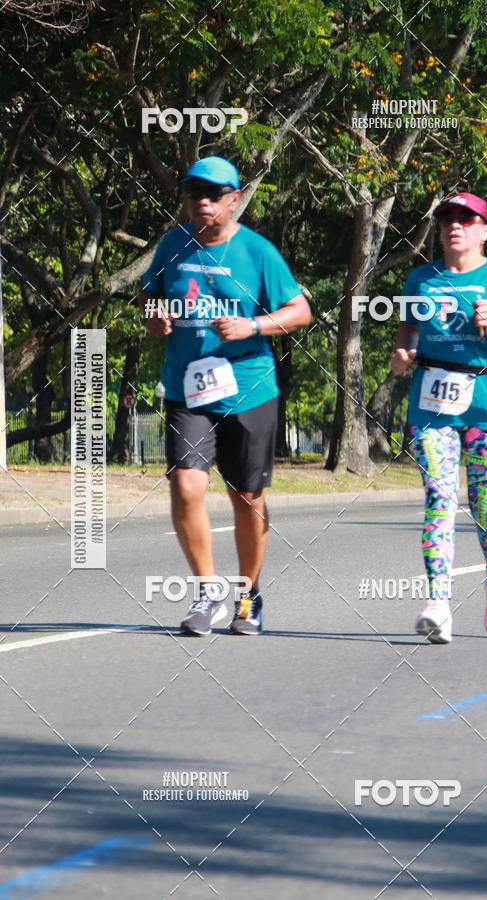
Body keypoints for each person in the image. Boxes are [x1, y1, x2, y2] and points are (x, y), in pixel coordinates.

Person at [139, 156, 311, 636]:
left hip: (249, 387)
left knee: (246, 496)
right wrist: (154, 316)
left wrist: (252, 325)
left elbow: (300, 311)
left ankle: (248, 596)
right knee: (186, 485)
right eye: (195, 192)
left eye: (214, 194)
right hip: (186, 387)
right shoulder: (172, 245)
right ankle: (206, 591)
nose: (203, 202)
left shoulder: (258, 252)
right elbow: (149, 294)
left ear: (235, 199)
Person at [390, 192, 487, 644]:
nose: (456, 224)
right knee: (439, 497)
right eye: (447, 218)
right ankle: (438, 601)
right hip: (432, 401)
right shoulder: (420, 278)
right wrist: (401, 353)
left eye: (467, 218)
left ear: (485, 230)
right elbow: (407, 332)